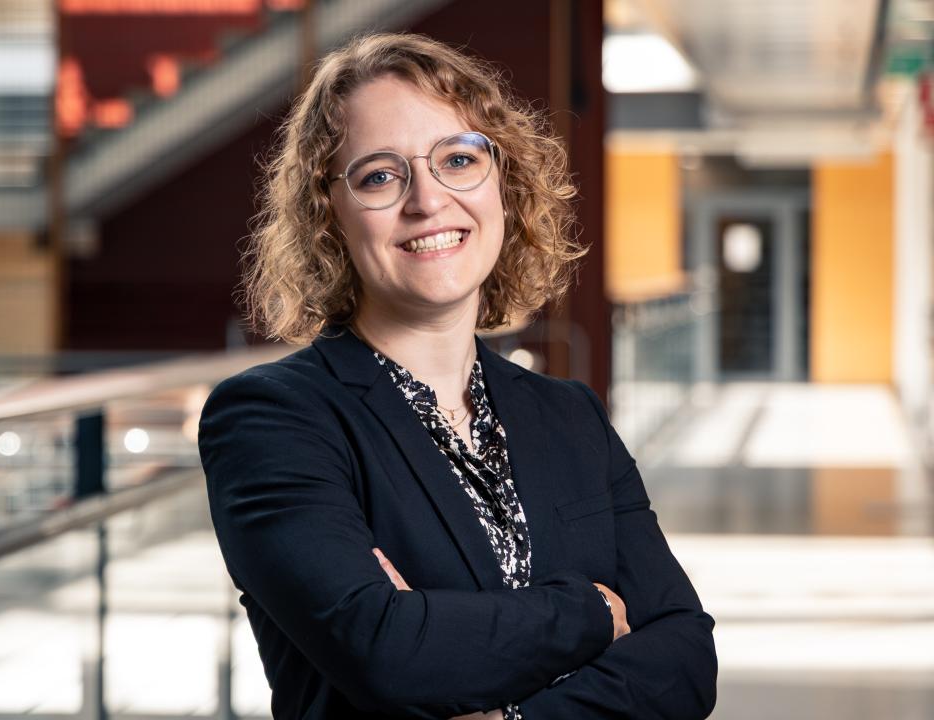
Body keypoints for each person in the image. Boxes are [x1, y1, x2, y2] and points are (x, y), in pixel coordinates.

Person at [197, 33, 717, 719]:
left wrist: (501, 704)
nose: (428, 201)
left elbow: (684, 661)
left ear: (503, 185)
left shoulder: (569, 415)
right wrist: (591, 610)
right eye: (380, 175)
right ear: (330, 218)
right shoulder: (271, 419)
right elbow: (386, 653)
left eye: (459, 160)